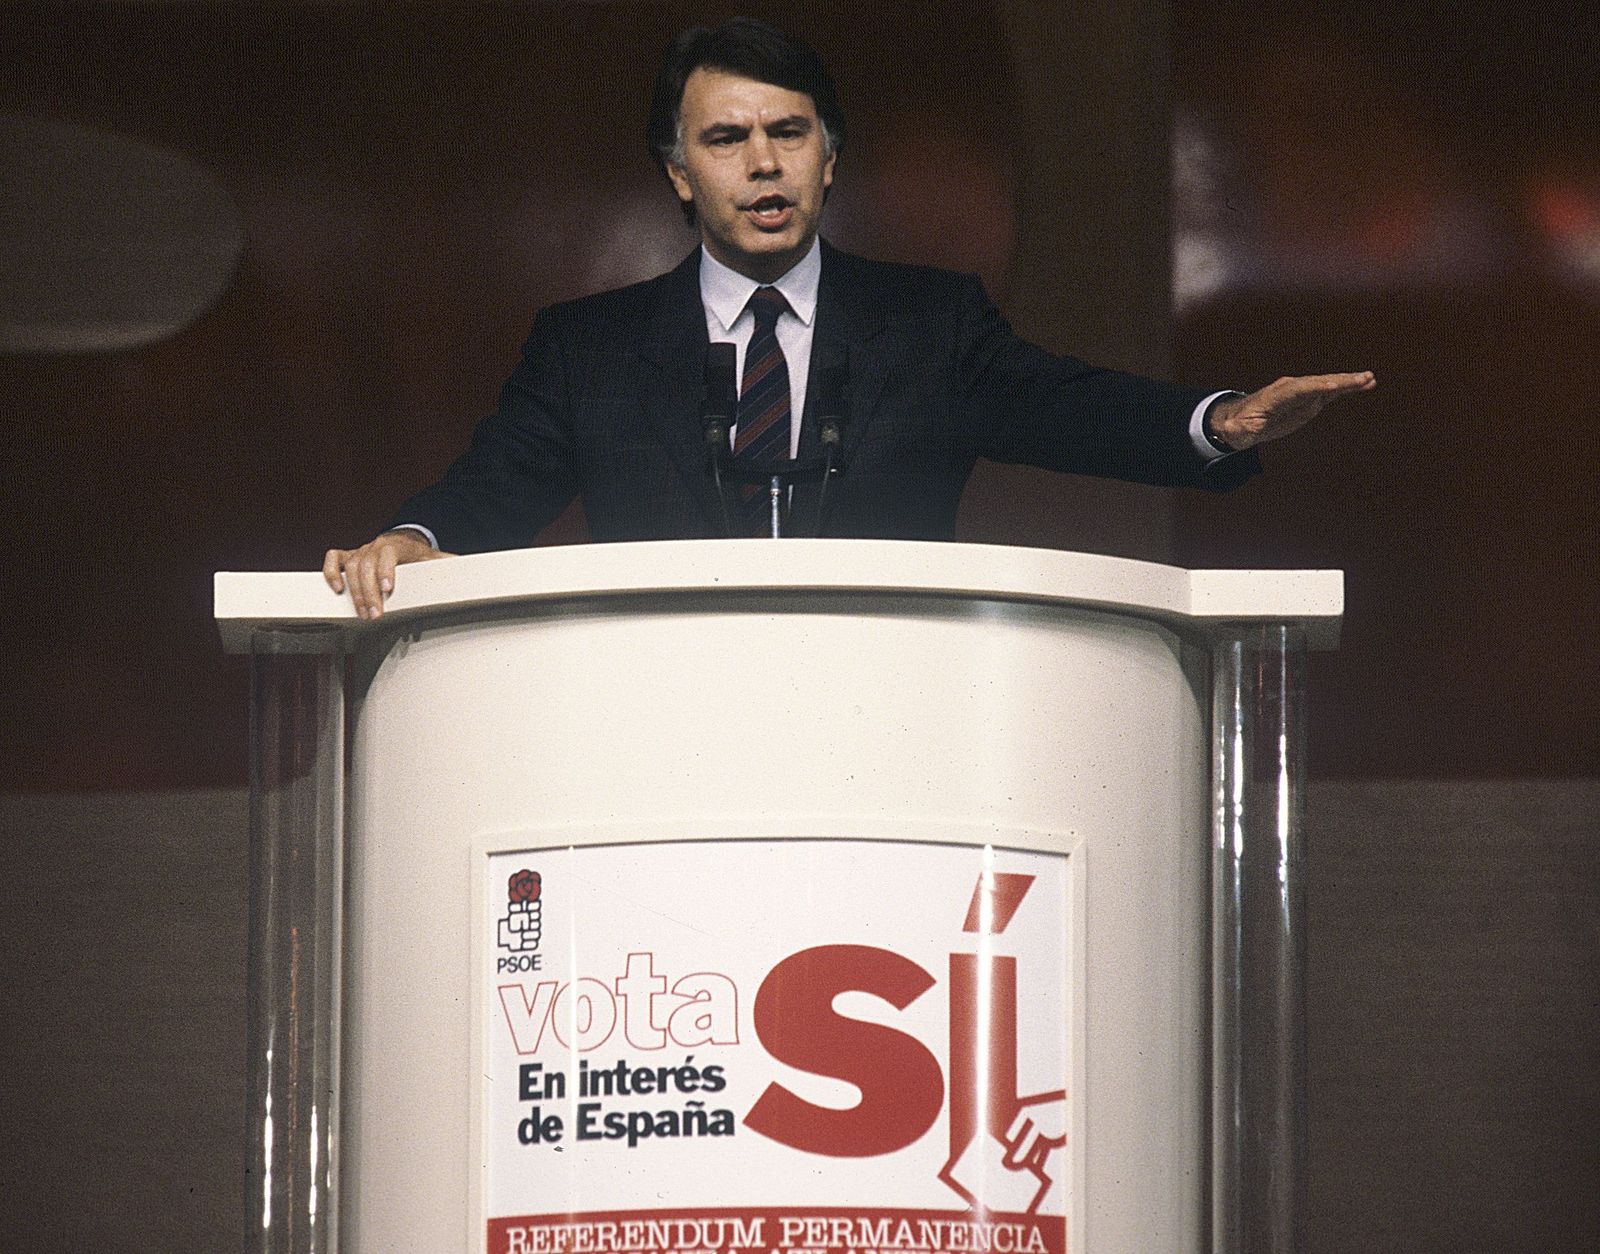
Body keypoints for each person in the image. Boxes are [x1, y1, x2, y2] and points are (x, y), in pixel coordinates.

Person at [325, 17, 1374, 619]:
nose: (765, 163)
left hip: (893, 719)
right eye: (727, 139)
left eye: (789, 133)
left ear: (830, 158)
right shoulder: (587, 350)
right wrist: (412, 542)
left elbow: (1068, 407)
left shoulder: (930, 324)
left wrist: (1221, 420)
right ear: (678, 174)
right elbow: (493, 490)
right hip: (653, 722)